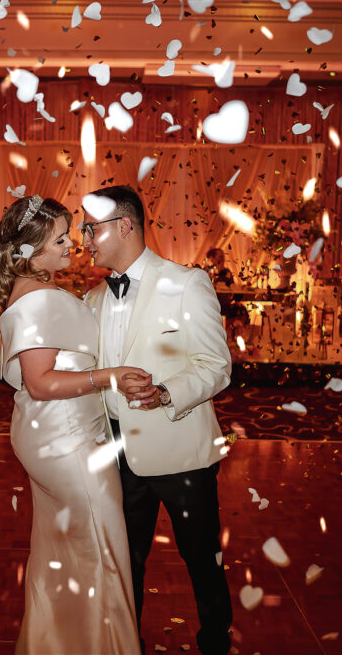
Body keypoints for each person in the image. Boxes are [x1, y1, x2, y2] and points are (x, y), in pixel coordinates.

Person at [0, 195, 143, 654]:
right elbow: (40, 382)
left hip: (56, 437)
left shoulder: (32, 290)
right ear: (32, 252)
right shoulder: (37, 300)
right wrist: (109, 376)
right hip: (70, 442)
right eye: (61, 239)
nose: (72, 244)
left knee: (64, 553)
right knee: (99, 551)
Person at [81, 185, 234, 654]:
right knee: (126, 562)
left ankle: (215, 644)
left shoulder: (186, 283)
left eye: (91, 227)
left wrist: (166, 392)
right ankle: (127, 644)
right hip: (116, 455)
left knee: (201, 559)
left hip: (181, 451)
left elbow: (216, 366)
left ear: (125, 225)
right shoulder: (91, 300)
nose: (84, 238)